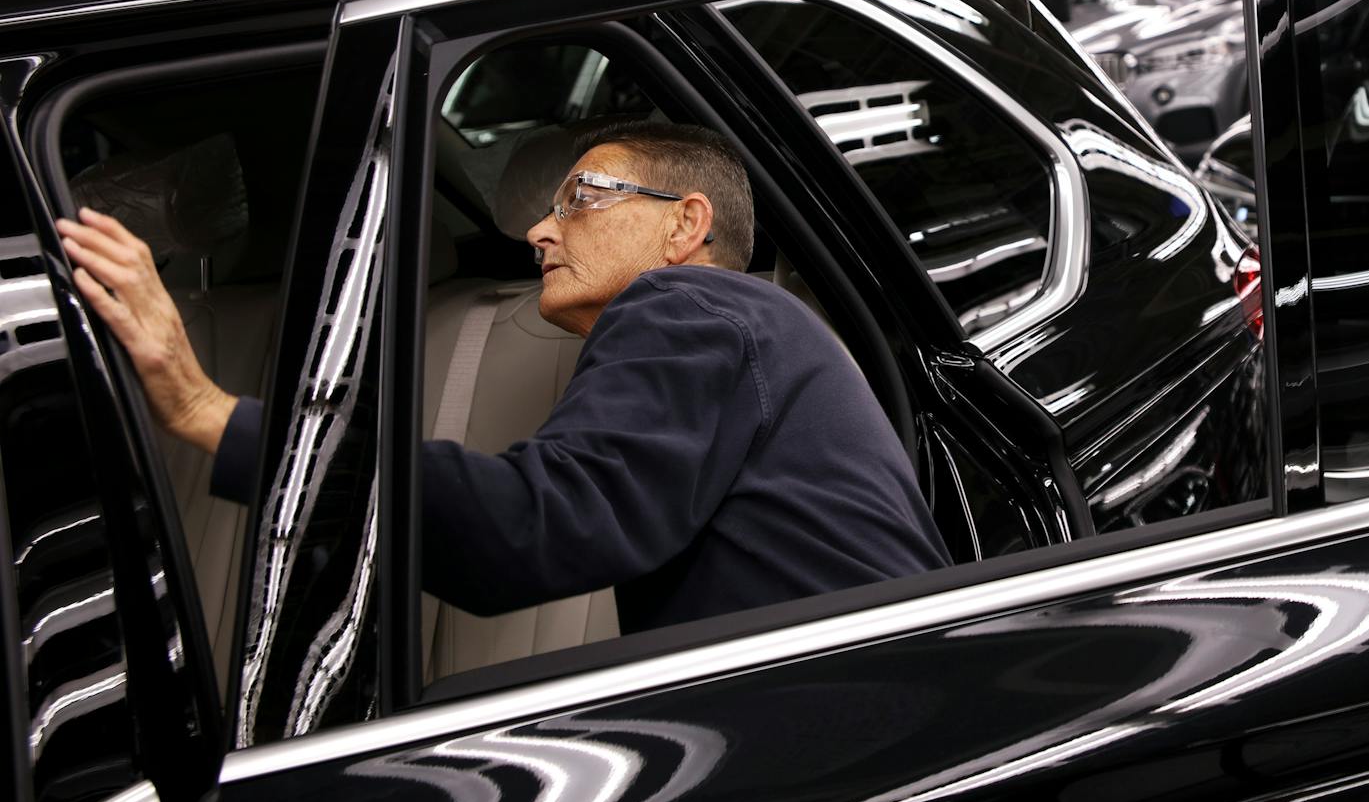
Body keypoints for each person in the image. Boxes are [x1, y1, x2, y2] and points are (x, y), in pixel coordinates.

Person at [57, 121, 951, 634]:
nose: (539, 232)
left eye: (582, 197)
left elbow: (535, 528)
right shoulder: (747, 332)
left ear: (685, 225)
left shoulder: (691, 307)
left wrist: (210, 412)